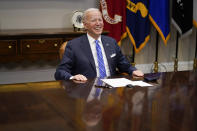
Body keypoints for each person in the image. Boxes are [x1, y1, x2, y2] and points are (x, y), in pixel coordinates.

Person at [55, 8, 144, 81]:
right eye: (94, 20)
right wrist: (72, 77)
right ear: (85, 25)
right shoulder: (73, 45)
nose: (98, 23)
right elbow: (60, 72)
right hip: (86, 90)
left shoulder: (111, 42)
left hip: (111, 91)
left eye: (100, 20)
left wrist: (133, 70)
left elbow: (124, 64)